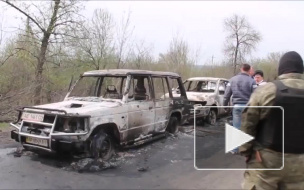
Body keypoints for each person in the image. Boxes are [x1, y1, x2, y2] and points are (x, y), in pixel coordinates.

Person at [239, 51, 304, 190]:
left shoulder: (266, 90)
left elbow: (247, 124)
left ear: (281, 69)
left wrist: (246, 151)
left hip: (267, 161)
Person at [223, 63, 257, 154]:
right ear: (249, 70)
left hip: (237, 107)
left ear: (241, 69)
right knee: (248, 128)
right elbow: (256, 95)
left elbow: (226, 95)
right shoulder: (252, 81)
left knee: (236, 128)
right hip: (248, 107)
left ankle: (235, 149)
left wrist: (225, 106)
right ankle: (247, 149)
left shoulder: (232, 80)